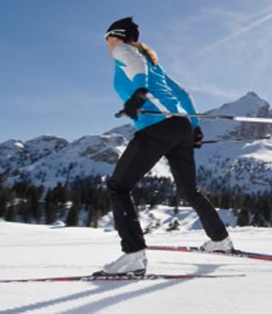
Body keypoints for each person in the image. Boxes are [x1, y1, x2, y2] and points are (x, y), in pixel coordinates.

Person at [98, 17, 232, 277]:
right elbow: (183, 94)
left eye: (106, 39)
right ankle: (220, 241)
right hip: (179, 126)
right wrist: (194, 128)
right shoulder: (153, 63)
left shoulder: (124, 51)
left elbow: (138, 70)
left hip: (157, 126)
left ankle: (133, 255)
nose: (106, 45)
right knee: (189, 189)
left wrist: (138, 93)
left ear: (114, 36)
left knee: (118, 187)